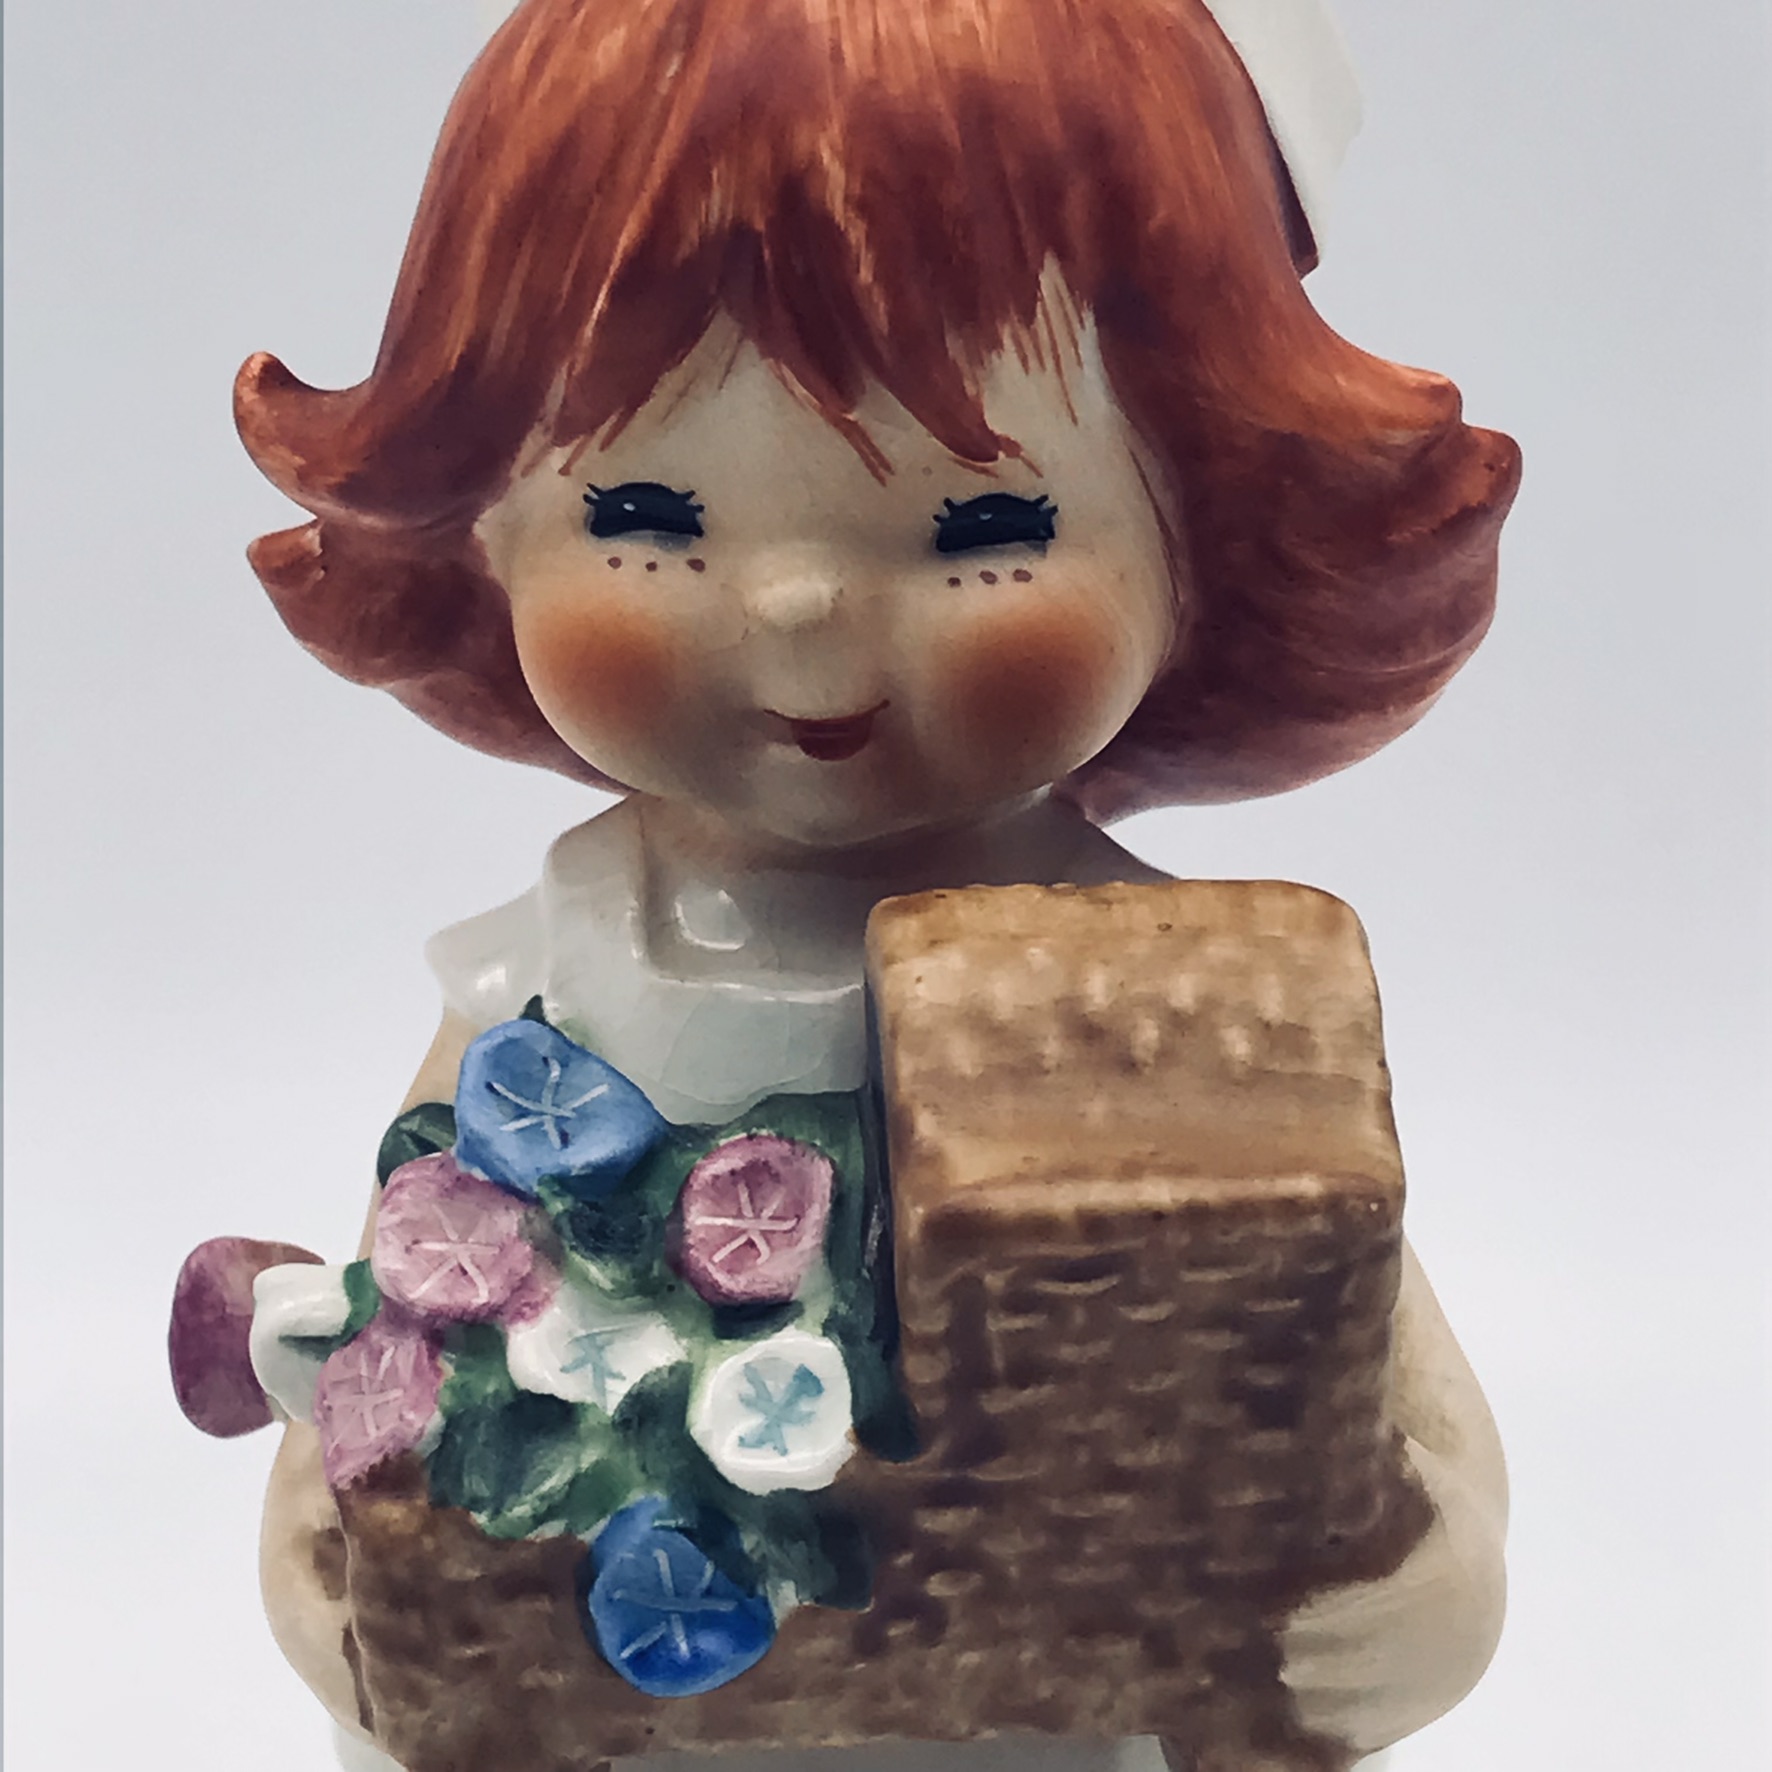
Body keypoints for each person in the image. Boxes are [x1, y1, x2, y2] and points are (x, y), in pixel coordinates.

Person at [227, 0, 1519, 1764]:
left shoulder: (1155, 1003)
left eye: (985, 530)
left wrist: (1445, 1568)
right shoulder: (569, 976)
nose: (798, 610)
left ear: (1197, 545)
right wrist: (318, 1538)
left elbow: (1362, 1327)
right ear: (487, 530)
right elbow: (401, 1305)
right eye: (648, 520)